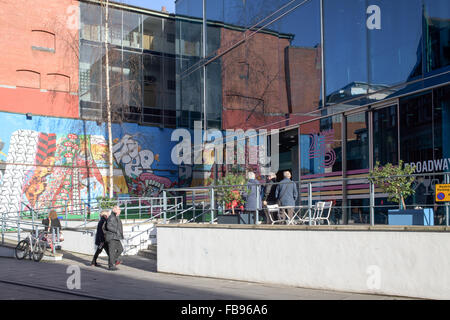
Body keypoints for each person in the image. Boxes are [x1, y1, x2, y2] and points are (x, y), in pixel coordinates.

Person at [104, 205, 124, 271]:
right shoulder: (112, 217)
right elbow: (108, 226)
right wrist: (116, 231)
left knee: (120, 249)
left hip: (116, 237)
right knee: (112, 252)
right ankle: (111, 265)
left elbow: (119, 226)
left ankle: (113, 260)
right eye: (119, 209)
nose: (120, 210)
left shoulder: (116, 217)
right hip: (112, 237)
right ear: (115, 210)